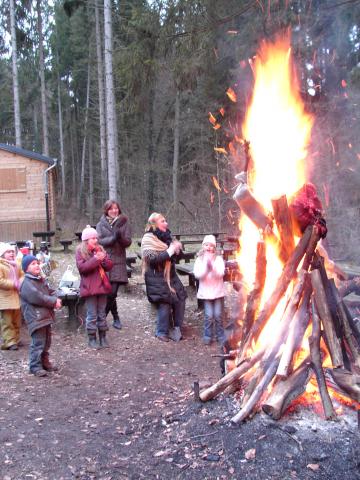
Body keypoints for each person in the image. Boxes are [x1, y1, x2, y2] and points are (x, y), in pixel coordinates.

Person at [141, 212, 187, 342]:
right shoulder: (148, 238)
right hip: (156, 277)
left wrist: (177, 250)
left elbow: (177, 258)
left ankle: (177, 328)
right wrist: (171, 250)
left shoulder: (167, 237)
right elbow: (153, 259)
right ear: (154, 224)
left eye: (166, 220)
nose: (166, 223)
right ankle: (161, 332)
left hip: (171, 275)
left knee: (181, 298)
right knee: (165, 302)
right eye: (162, 221)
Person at [20, 255, 61, 377]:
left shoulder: (40, 280)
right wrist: (53, 301)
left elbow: (49, 291)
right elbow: (38, 297)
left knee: (47, 341)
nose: (37, 265)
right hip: (36, 317)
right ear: (26, 269)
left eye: (37, 263)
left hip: (45, 316)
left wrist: (56, 296)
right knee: (38, 342)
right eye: (32, 264)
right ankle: (35, 366)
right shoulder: (27, 283)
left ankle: (44, 362)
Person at [76, 225, 113, 348]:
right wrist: (96, 259)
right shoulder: (80, 251)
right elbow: (82, 268)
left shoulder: (100, 249)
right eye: (92, 238)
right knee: (92, 315)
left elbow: (109, 266)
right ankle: (92, 338)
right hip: (89, 288)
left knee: (102, 313)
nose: (95, 240)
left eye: (96, 238)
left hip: (102, 287)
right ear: (86, 240)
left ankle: (103, 337)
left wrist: (103, 260)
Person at [96, 200, 132, 329]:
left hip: (118, 261)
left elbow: (128, 241)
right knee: (108, 292)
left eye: (116, 208)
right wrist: (112, 239)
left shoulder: (124, 222)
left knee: (113, 293)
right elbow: (99, 241)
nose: (114, 211)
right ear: (106, 210)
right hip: (105, 261)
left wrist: (120, 237)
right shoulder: (100, 224)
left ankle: (102, 318)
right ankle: (116, 318)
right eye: (111, 209)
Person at [193, 235, 226, 345]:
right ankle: (207, 336)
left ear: (215, 248)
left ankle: (220, 335)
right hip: (206, 293)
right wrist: (206, 269)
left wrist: (213, 268)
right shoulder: (199, 260)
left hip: (217, 292)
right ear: (203, 246)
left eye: (211, 245)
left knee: (218, 315)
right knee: (209, 315)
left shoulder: (218, 259)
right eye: (206, 245)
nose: (209, 247)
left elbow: (221, 273)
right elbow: (197, 275)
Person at [0, 243, 23, 350]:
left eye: (13, 252)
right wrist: (13, 283)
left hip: (16, 297)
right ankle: (9, 341)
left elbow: (22, 275)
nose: (11, 254)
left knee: (17, 321)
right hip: (5, 299)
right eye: (8, 252)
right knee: (7, 322)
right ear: (2, 254)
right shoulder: (1, 265)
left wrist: (21, 282)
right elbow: (0, 281)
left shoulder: (16, 264)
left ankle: (16, 339)